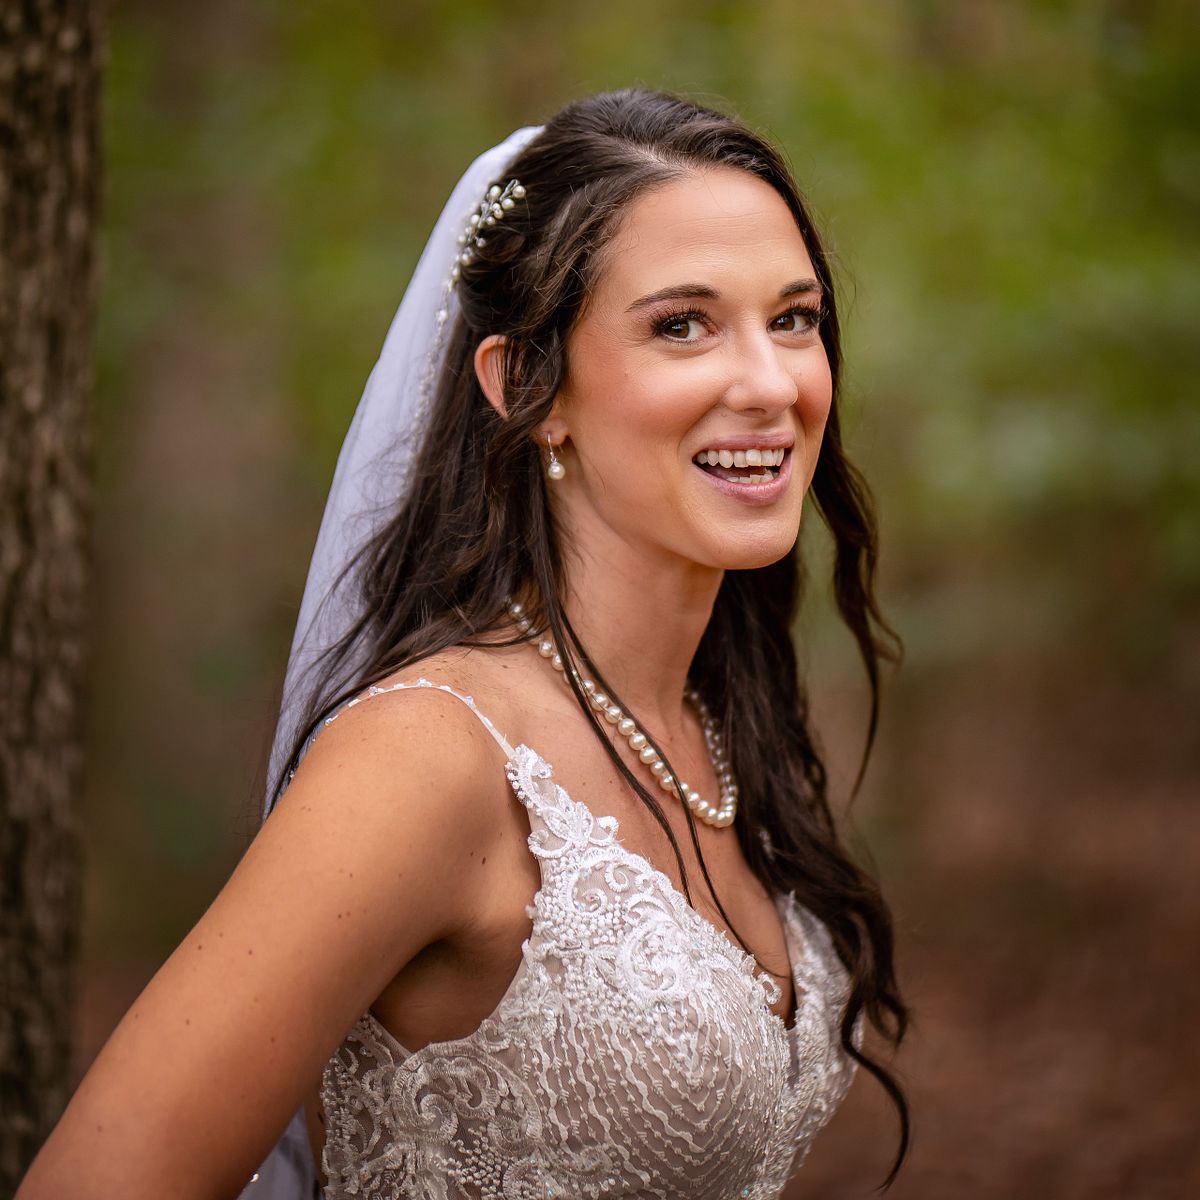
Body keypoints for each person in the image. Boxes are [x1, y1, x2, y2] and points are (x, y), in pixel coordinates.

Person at [18, 87, 909, 1199]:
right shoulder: (427, 759)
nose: (773, 383)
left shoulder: (718, 722)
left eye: (795, 318)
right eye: (681, 324)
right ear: (526, 387)